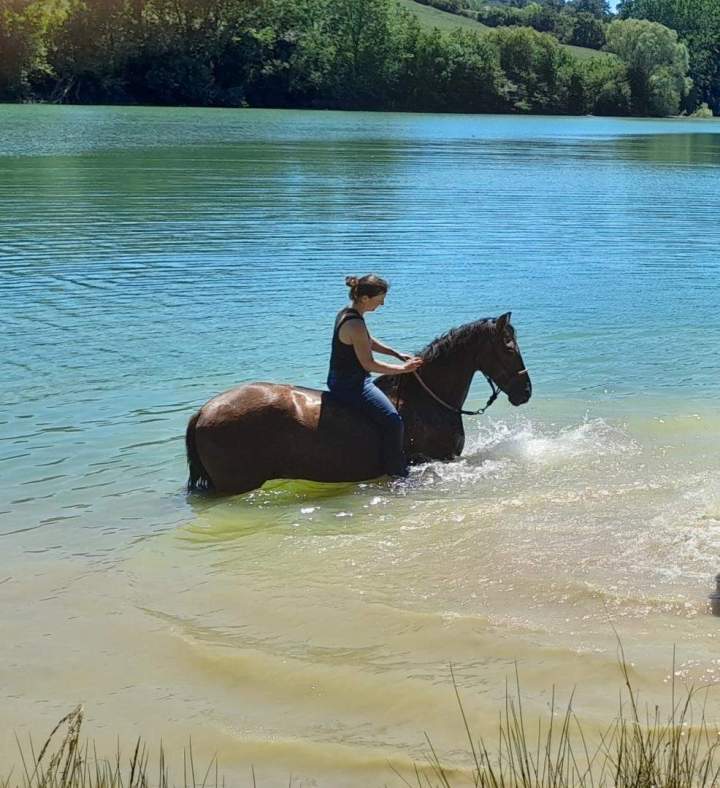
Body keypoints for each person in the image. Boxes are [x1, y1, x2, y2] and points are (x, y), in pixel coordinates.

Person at [326, 274, 423, 477]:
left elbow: (367, 341)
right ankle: (397, 474)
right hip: (352, 384)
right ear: (364, 298)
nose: (382, 304)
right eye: (380, 299)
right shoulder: (355, 324)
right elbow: (369, 364)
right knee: (393, 421)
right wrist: (403, 369)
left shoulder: (347, 313)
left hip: (342, 379)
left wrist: (396, 353)